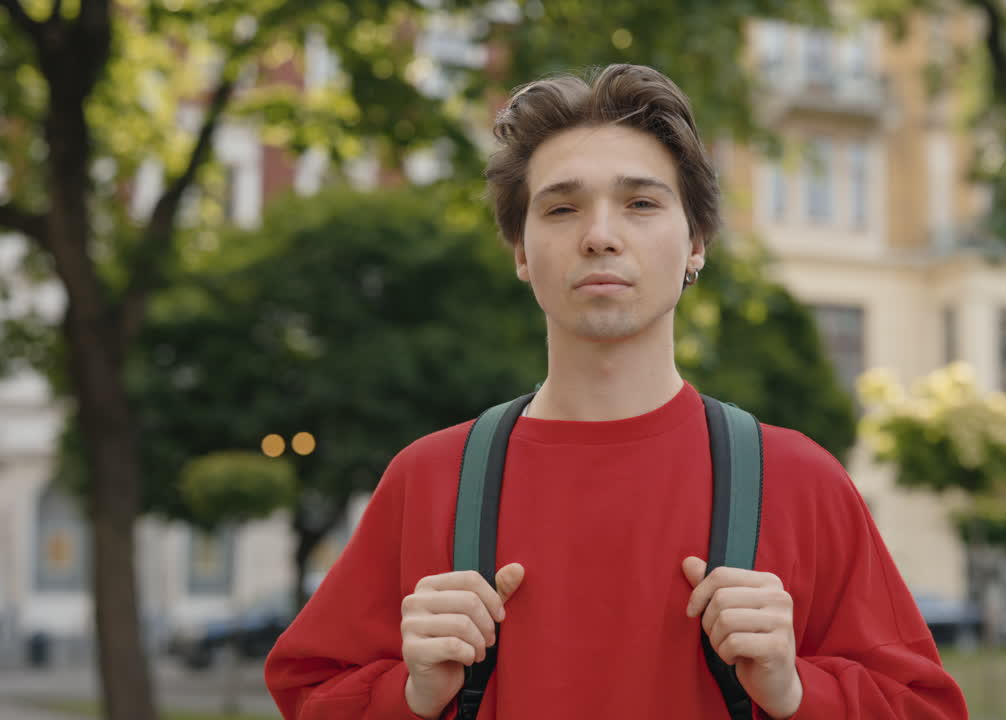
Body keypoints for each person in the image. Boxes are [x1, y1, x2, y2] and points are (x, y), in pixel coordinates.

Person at [264, 64, 968, 720]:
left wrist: (796, 690)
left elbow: (925, 707)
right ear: (520, 250)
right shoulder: (428, 480)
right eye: (561, 209)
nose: (600, 236)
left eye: (640, 203)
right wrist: (411, 695)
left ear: (696, 244)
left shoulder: (801, 482)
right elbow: (311, 690)